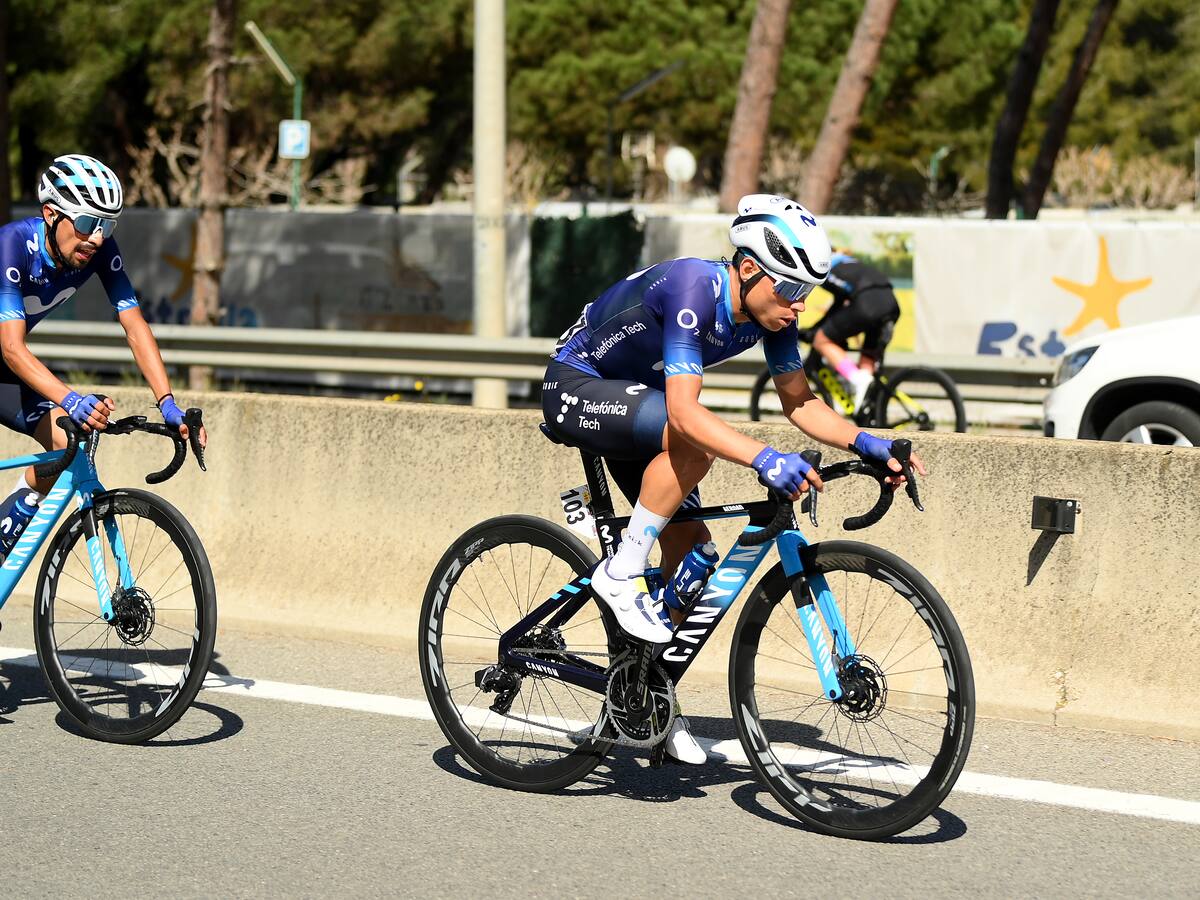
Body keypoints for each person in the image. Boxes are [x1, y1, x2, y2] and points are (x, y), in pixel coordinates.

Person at [542, 194, 925, 764]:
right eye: (790, 290)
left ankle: (645, 698)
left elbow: (800, 402)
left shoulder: (768, 317)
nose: (797, 307)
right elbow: (684, 415)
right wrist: (765, 458)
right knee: (695, 440)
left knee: (694, 564)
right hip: (576, 384)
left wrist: (866, 440)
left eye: (807, 294)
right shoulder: (693, 288)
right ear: (749, 268)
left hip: (638, 406)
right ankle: (621, 574)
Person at [0, 154, 206, 554]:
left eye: (106, 225)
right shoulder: (11, 246)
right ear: (50, 214)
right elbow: (11, 346)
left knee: (67, 442)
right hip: (8, 356)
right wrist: (71, 397)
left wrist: (168, 404)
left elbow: (134, 325)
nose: (95, 237)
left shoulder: (97, 250)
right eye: (85, 223)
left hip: (5, 373)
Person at [810, 249, 901, 413]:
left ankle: (856, 379)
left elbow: (839, 302)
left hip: (868, 304)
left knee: (821, 340)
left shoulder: (824, 267)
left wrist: (815, 330)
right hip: (891, 304)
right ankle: (867, 413)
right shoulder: (848, 261)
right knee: (867, 364)